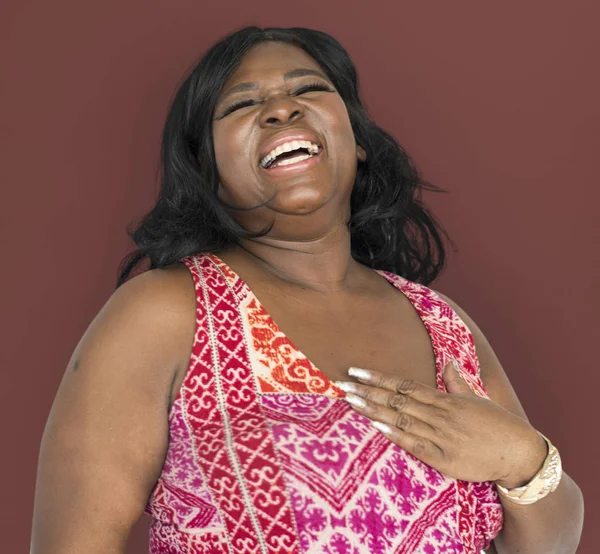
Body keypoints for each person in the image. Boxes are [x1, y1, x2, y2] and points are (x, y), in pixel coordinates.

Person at [30, 26, 584, 554]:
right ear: (209, 169)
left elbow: (548, 542)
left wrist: (523, 459)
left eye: (308, 89)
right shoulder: (165, 313)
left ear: (357, 141)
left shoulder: (444, 323)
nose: (281, 107)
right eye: (242, 104)